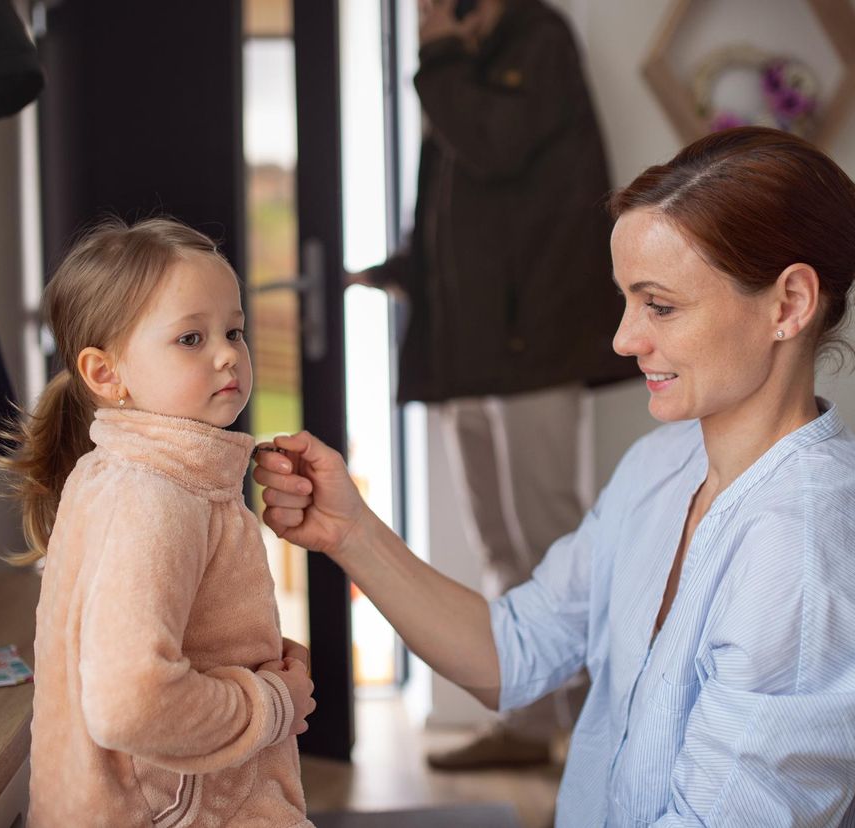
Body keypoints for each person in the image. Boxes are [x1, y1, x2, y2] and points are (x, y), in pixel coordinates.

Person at [256, 127, 855, 825]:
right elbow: (512, 654)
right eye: (625, 300)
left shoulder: (806, 559)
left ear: (789, 304)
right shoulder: (663, 463)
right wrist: (351, 533)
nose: (624, 339)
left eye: (662, 306)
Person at [348, 0, 633, 769]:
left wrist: (437, 55)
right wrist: (403, 270)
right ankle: (535, 727)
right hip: (468, 351)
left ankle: (604, 740)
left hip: (531, 344)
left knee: (554, 545)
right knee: (503, 547)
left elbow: (494, 146)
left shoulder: (535, 39)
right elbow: (460, 199)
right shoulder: (465, 62)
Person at [0, 218, 316, 827]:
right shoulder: (155, 498)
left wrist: (269, 660)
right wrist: (271, 704)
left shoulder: (143, 478)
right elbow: (130, 702)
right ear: (106, 374)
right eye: (190, 339)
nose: (228, 354)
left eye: (234, 331)